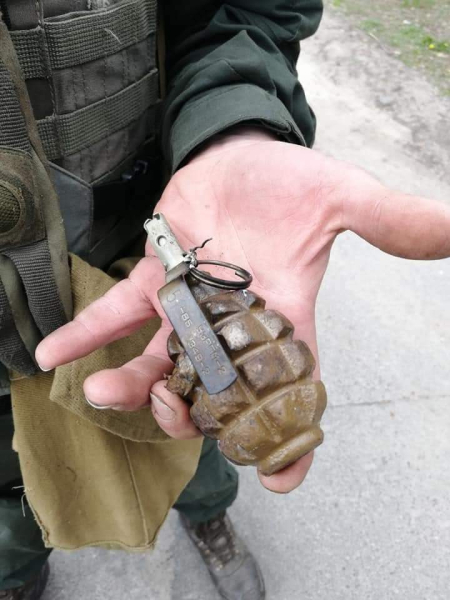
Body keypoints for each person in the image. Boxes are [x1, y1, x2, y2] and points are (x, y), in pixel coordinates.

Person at [2, 2, 450, 600]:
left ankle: (208, 512)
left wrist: (232, 126)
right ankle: (16, 572)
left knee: (188, 440)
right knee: (12, 482)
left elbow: (251, 8)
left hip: (139, 245)